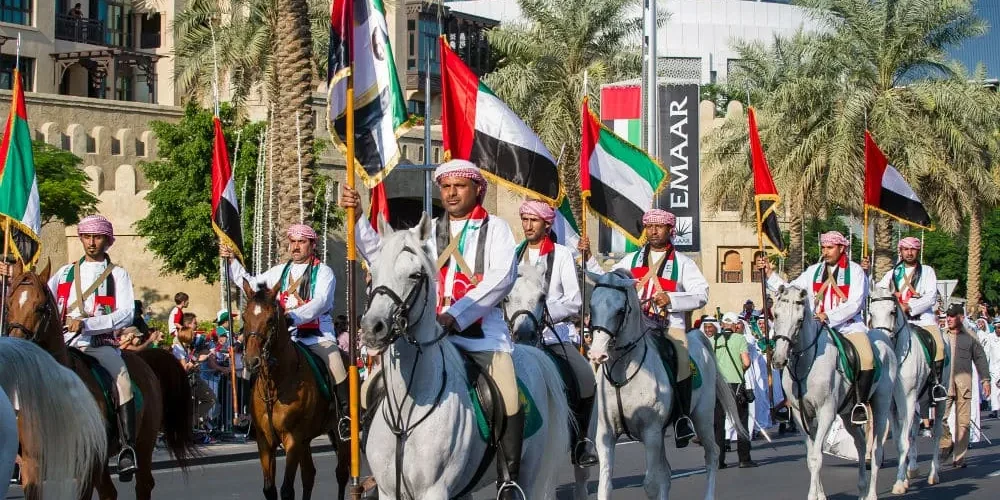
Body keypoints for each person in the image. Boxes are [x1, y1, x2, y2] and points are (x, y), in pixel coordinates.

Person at [340, 159, 523, 499]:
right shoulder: (426, 232)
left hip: (481, 336)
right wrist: (358, 220)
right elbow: (385, 256)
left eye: (460, 186)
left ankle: (508, 475)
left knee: (508, 396)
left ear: (477, 189)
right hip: (426, 336)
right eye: (446, 187)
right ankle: (380, 465)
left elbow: (502, 277)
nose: (452, 193)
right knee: (370, 390)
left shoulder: (495, 229)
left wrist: (457, 314)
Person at [578, 208, 709, 447]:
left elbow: (702, 294)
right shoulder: (631, 260)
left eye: (659, 227)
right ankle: (594, 419)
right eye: (649, 227)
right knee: (598, 359)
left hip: (669, 327)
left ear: (670, 230)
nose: (653, 231)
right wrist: (587, 257)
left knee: (680, 358)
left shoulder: (683, 263)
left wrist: (672, 299)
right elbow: (609, 280)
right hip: (636, 327)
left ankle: (681, 417)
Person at [220, 224, 351, 439]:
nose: (296, 246)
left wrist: (292, 316)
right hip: (283, 337)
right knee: (253, 364)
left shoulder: (324, 272)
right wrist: (232, 261)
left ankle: (345, 416)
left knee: (336, 363)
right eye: (293, 242)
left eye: (302, 242)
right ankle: (253, 417)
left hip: (317, 336)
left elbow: (320, 302)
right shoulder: (280, 270)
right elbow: (253, 284)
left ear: (312, 245)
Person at [41, 215, 139, 477]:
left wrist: (87, 324)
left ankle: (127, 448)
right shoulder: (63, 272)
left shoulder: (118, 274)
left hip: (98, 344)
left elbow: (127, 313)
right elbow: (42, 300)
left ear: (107, 241)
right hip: (62, 344)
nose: (91, 243)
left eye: (97, 238)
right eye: (86, 237)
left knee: (123, 381)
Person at [515, 199, 598, 467]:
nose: (528, 226)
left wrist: (540, 310)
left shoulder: (561, 254)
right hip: (515, 338)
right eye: (525, 220)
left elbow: (574, 300)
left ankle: (582, 443)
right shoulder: (513, 255)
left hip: (553, 337)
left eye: (534, 220)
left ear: (547, 223)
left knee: (586, 378)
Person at [759, 231, 872, 424]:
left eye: (830, 248)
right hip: (816, 328)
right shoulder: (813, 271)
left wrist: (828, 315)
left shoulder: (855, 271)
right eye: (824, 248)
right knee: (786, 351)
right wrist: (770, 274)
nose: (825, 252)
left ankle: (859, 403)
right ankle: (790, 402)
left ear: (841, 248)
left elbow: (855, 303)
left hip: (847, 327)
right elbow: (791, 289)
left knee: (867, 358)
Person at [864, 237, 947, 401]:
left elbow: (931, 297)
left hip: (922, 320)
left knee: (939, 347)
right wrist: (866, 274)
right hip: (898, 322)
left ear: (918, 251)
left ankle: (936, 384)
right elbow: (877, 291)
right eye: (906, 249)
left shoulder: (927, 271)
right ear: (900, 251)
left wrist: (909, 306)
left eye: (913, 249)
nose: (909, 253)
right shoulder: (893, 273)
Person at [940, 304, 992, 467]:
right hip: (945, 385)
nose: (948, 319)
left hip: (964, 385)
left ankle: (959, 456)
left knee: (963, 422)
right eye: (947, 316)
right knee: (940, 419)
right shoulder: (941, 336)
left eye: (952, 316)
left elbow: (980, 358)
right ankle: (947, 441)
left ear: (961, 318)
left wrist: (985, 380)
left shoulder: (970, 336)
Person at [713, 313, 755, 468]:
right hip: (736, 385)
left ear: (722, 324)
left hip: (718, 385)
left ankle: (719, 459)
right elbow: (746, 361)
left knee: (718, 423)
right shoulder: (739, 339)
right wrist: (739, 370)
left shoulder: (713, 340)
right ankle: (744, 458)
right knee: (741, 422)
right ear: (735, 325)